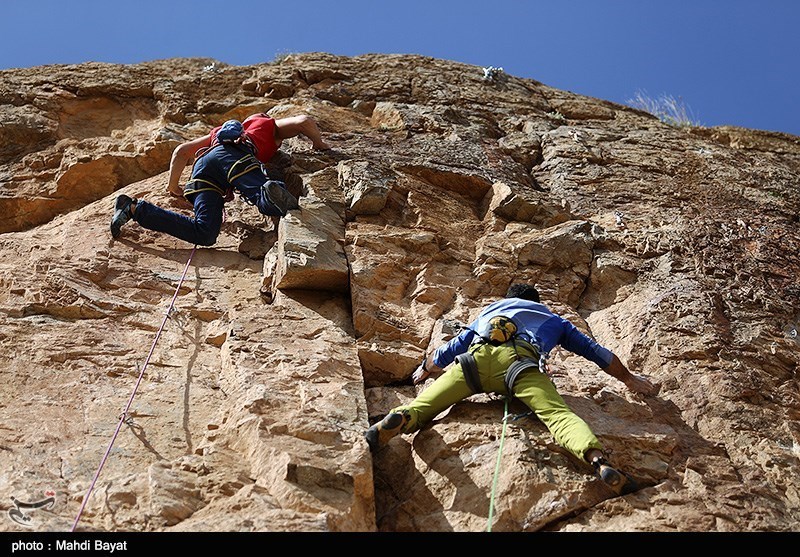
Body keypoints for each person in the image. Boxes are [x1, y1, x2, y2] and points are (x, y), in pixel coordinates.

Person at [365, 283, 660, 495]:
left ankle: (398, 419)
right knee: (557, 416)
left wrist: (425, 369)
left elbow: (453, 347)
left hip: (473, 362)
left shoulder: (489, 312)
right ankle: (598, 462)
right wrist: (629, 379)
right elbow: (596, 352)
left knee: (424, 407)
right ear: (538, 302)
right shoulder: (553, 320)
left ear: (509, 299)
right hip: (520, 366)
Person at [110, 113, 331, 245]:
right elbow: (304, 121)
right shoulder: (265, 127)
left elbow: (181, 151)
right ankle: (267, 192)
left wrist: (173, 186)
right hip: (236, 156)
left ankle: (132, 208)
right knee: (262, 197)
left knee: (205, 233)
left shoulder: (217, 133)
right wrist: (318, 143)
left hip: (205, 168)